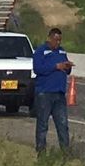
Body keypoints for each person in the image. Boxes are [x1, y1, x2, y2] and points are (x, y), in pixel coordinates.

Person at [31, 26, 73, 156]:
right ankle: (41, 152)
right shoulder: (40, 52)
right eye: (56, 40)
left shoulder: (61, 52)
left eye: (60, 40)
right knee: (43, 124)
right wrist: (55, 66)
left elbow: (67, 71)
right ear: (49, 38)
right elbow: (38, 69)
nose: (58, 43)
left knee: (62, 124)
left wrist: (67, 67)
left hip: (59, 93)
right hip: (45, 92)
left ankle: (65, 152)